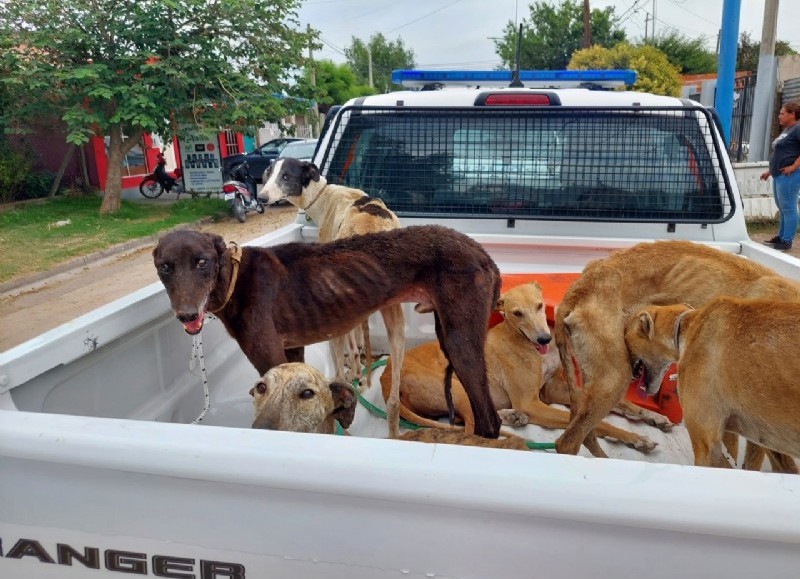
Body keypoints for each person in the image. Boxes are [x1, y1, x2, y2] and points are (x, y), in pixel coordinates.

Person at [760, 101, 800, 251]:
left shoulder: (797, 128)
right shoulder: (787, 130)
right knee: (782, 207)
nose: (779, 116)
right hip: (779, 174)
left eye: (782, 113)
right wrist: (770, 171)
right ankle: (781, 236)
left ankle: (787, 240)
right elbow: (781, 153)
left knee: (789, 208)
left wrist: (794, 166)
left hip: (790, 175)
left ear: (793, 114)